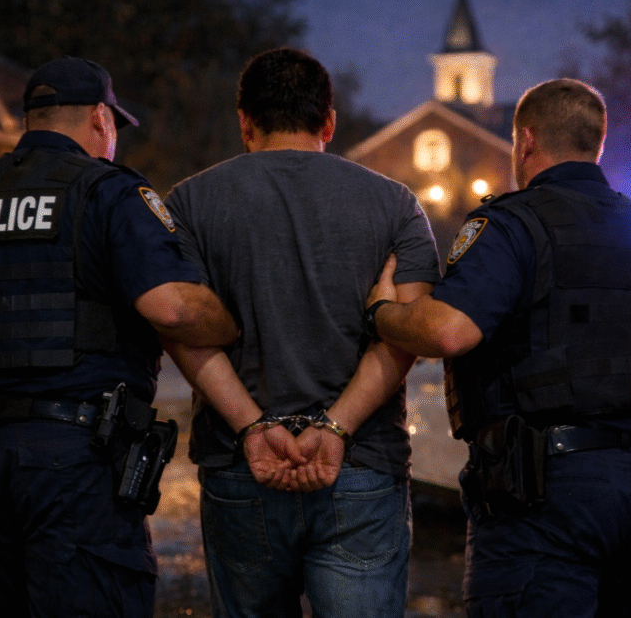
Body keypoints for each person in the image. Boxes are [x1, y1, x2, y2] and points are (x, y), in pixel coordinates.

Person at [0, 56, 238, 617]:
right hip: (74, 463)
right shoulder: (108, 193)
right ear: (101, 117)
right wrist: (232, 319)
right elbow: (172, 309)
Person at [367, 78, 631, 617]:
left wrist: (383, 313)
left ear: (526, 141)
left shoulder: (511, 226)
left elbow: (449, 331)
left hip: (545, 496)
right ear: (598, 143)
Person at [163, 47, 441, 617]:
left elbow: (183, 326)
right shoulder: (396, 204)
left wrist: (252, 426)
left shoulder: (188, 203)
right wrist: (337, 426)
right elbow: (408, 331)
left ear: (245, 124)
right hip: (361, 466)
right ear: (329, 122)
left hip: (241, 466)